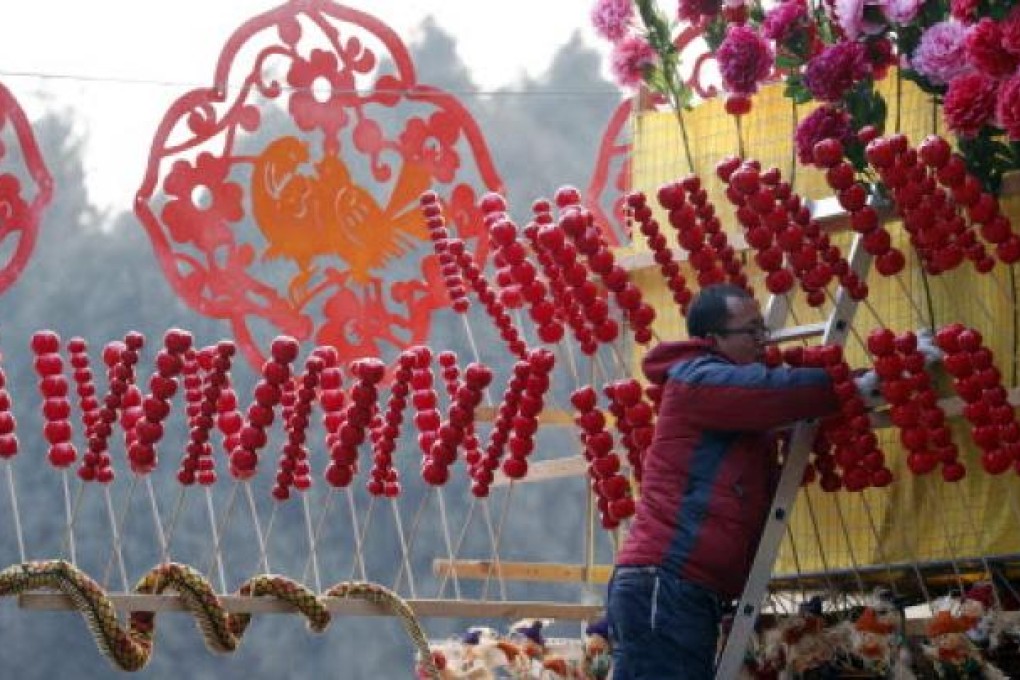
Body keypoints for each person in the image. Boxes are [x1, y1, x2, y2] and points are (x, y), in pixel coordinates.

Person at [606, 283, 841, 679]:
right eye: (751, 332)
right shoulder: (698, 380)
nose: (762, 342)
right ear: (713, 339)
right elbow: (769, 393)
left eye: (762, 331)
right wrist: (847, 383)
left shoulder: (716, 385)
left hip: (686, 587)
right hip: (667, 579)